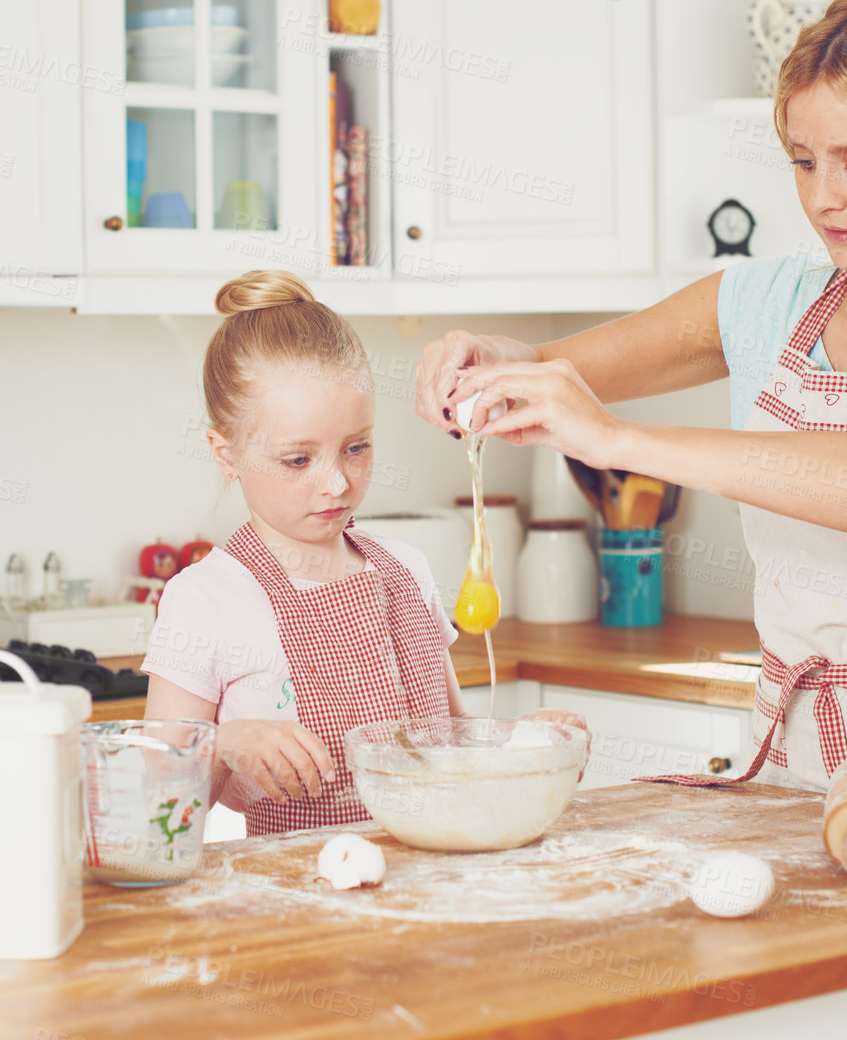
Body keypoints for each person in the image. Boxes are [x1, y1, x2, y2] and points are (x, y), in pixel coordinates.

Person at [415, 0, 847, 827]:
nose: (822, 198)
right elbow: (551, 364)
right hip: (793, 757)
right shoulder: (760, 303)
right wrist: (489, 364)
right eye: (803, 161)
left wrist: (617, 437)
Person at [143, 270, 587, 836]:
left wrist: (529, 745)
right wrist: (224, 745)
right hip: (300, 904)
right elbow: (158, 811)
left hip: (430, 883)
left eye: (357, 448)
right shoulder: (205, 599)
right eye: (298, 460)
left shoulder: (406, 570)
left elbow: (455, 746)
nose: (336, 484)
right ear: (225, 455)